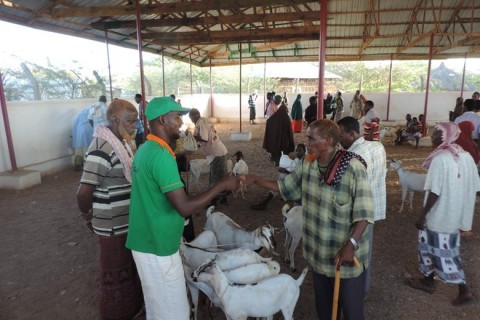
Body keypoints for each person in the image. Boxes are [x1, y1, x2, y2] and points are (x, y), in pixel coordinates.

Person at [243, 119, 374, 320]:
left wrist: (351, 244)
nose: (306, 142)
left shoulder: (353, 168)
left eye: (311, 138)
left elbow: (365, 214)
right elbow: (285, 187)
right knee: (326, 311)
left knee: (352, 312)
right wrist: (254, 179)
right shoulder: (308, 163)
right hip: (319, 257)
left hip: (346, 261)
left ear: (328, 141)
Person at [125, 97, 240, 319]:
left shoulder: (146, 149)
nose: (181, 122)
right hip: (157, 247)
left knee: (158, 307)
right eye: (177, 117)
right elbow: (184, 207)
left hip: (147, 241)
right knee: (175, 312)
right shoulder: (160, 156)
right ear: (162, 120)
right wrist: (222, 185)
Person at [76, 99, 143, 320]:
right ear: (114, 120)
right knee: (115, 273)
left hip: (124, 222)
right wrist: (88, 216)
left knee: (128, 269)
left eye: (135, 121)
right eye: (130, 121)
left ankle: (132, 310)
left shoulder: (120, 142)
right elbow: (84, 192)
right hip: (111, 225)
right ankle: (116, 314)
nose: (134, 126)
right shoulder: (101, 147)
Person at [408, 122, 480, 306]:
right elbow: (474, 186)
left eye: (437, 133)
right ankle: (428, 280)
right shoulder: (466, 156)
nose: (432, 135)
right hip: (454, 215)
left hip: (438, 216)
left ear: (447, 136)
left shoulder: (440, 159)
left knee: (444, 254)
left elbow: (434, 191)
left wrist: (423, 215)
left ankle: (464, 290)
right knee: (432, 248)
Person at [337, 116, 387, 294]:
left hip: (357, 211)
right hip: (373, 210)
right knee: (366, 251)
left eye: (340, 135)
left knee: (352, 249)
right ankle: (363, 289)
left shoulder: (352, 156)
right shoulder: (378, 147)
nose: (338, 139)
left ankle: (354, 293)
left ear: (352, 134)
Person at [189, 108, 230, 203]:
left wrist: (192, 136)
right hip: (219, 151)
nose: (191, 121)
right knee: (220, 176)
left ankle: (214, 200)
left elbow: (204, 138)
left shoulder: (201, 122)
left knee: (215, 179)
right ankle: (223, 198)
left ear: (194, 116)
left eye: (191, 118)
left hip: (216, 153)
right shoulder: (205, 120)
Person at [250, 143, 306, 210]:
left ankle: (265, 202)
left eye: (300, 151)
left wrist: (286, 171)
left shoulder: (306, 161)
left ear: (304, 151)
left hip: (302, 185)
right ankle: (269, 199)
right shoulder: (298, 159)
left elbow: (300, 175)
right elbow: (294, 169)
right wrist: (284, 169)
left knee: (281, 180)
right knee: (282, 177)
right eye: (296, 151)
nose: (297, 153)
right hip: (296, 182)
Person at [263, 95, 295, 166]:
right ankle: (282, 161)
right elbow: (290, 130)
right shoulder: (286, 118)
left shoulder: (276, 116)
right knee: (283, 150)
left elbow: (269, 121)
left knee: (276, 148)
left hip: (276, 137)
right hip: (284, 139)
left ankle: (276, 161)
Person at [71, 106, 94, 170]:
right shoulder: (91, 112)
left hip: (80, 131)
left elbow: (74, 125)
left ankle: (78, 165)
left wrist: (74, 135)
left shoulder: (79, 114)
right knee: (87, 148)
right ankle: (87, 165)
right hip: (90, 130)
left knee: (79, 148)